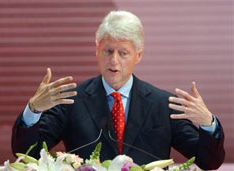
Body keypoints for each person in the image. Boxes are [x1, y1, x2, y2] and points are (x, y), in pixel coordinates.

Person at [12, 11, 225, 170]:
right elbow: (27, 152)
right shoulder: (72, 101)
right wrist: (33, 110)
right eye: (108, 51)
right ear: (97, 49)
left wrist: (208, 123)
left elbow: (209, 162)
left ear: (138, 55)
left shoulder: (162, 104)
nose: (114, 61)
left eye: (123, 53)